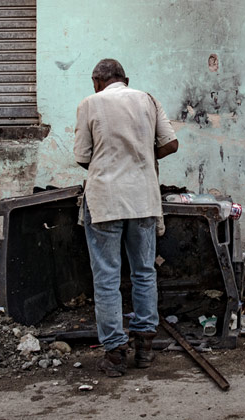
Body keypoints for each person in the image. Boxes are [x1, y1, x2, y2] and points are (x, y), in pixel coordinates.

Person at [74, 58, 179, 377]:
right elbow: (171, 144)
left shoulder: (89, 103)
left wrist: (109, 165)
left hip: (105, 199)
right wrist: (144, 156)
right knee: (144, 272)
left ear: (96, 82)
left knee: (106, 277)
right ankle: (145, 347)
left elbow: (82, 158)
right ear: (126, 79)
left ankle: (116, 353)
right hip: (143, 198)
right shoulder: (148, 99)